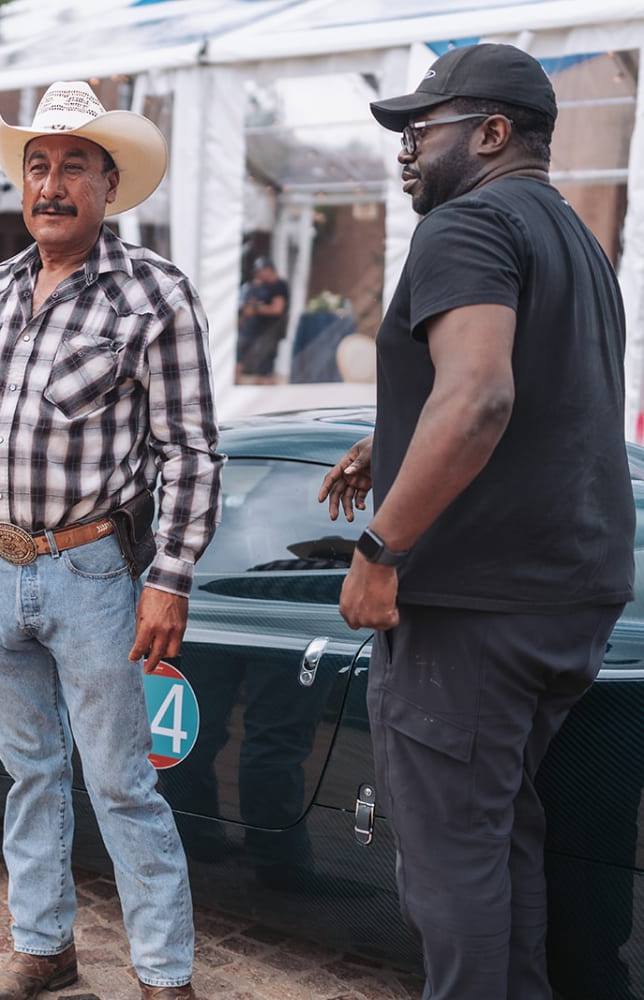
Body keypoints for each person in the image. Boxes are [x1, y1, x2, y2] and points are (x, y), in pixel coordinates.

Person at [318, 44, 634, 999]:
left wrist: (381, 547)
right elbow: (541, 390)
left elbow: (483, 398)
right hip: (567, 593)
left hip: (473, 606)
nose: (407, 150)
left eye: (423, 128)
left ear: (492, 134)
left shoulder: (468, 223)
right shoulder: (573, 237)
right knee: (500, 842)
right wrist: (396, 436)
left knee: (448, 867)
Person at [0, 80, 222, 1000]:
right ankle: (45, 950)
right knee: (29, 776)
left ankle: (166, 978)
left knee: (123, 785)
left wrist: (168, 580)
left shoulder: (155, 295)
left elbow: (193, 453)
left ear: (110, 182)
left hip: (95, 572)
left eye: (73, 168)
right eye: (38, 167)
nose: (52, 186)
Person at [236, 256, 288, 383]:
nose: (259, 275)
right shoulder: (264, 286)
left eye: (261, 271)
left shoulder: (279, 286)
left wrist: (256, 309)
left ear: (268, 270)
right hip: (260, 332)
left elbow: (277, 309)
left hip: (271, 332)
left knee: (265, 369)